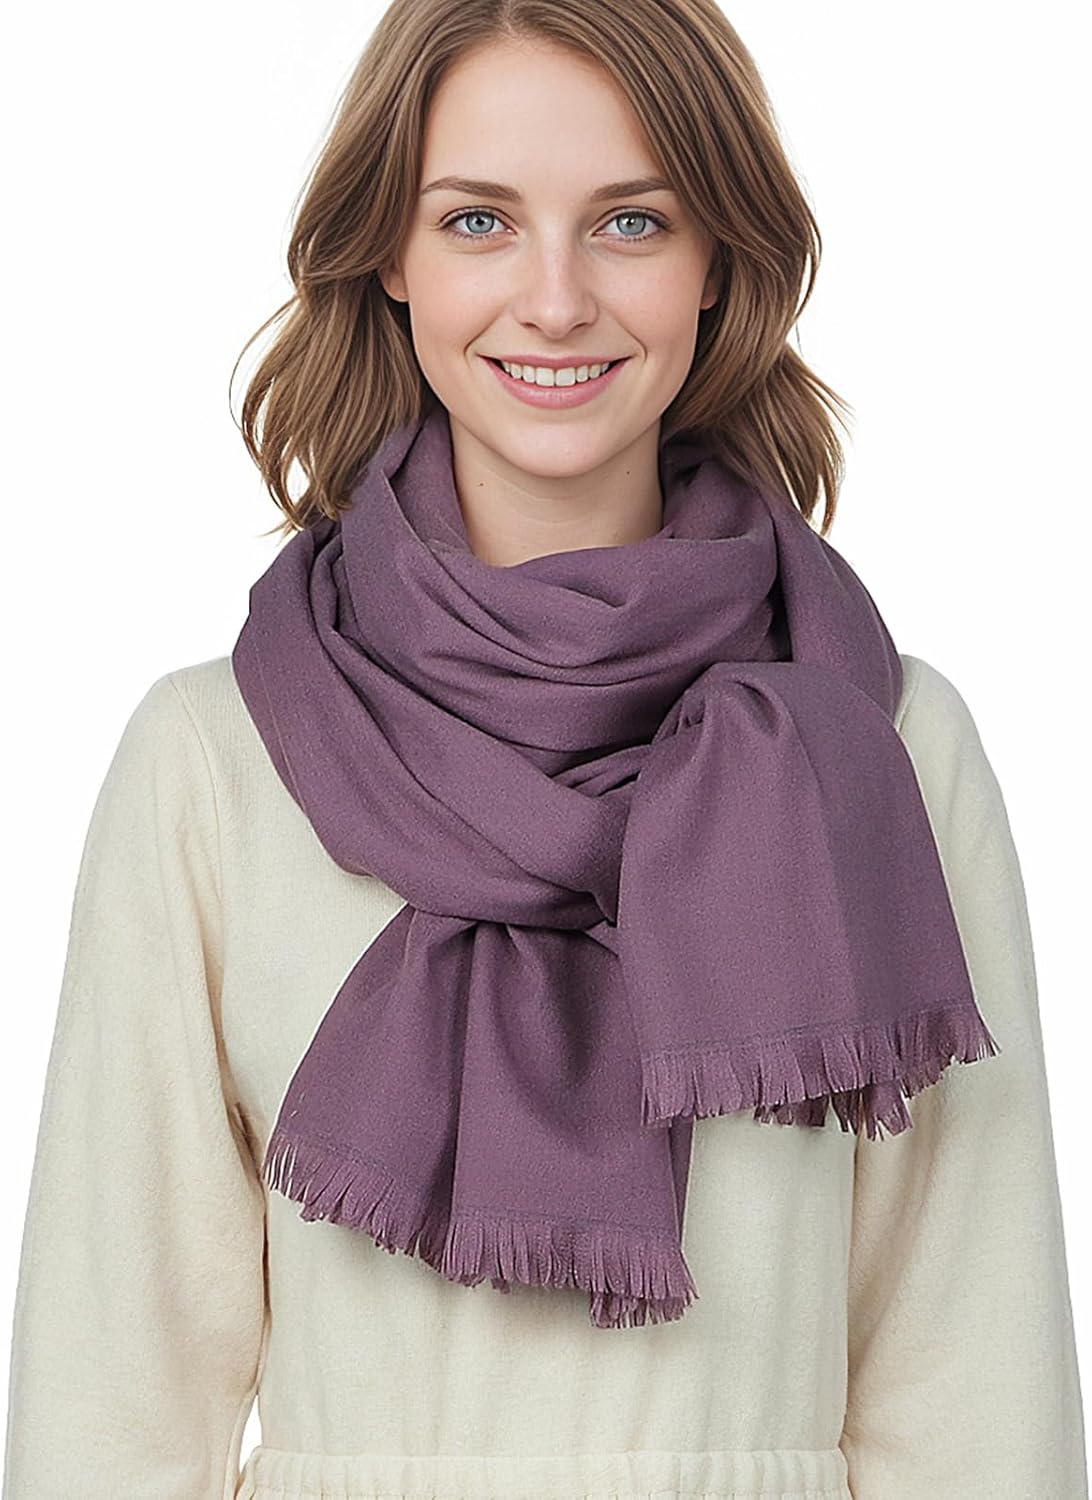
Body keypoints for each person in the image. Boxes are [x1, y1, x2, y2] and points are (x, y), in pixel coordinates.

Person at [3, 1, 1087, 1496]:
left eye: (632, 221)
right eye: (479, 221)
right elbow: (110, 1401)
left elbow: (975, 1378)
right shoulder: (214, 760)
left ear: (718, 260)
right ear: (392, 253)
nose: (558, 299)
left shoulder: (883, 744)